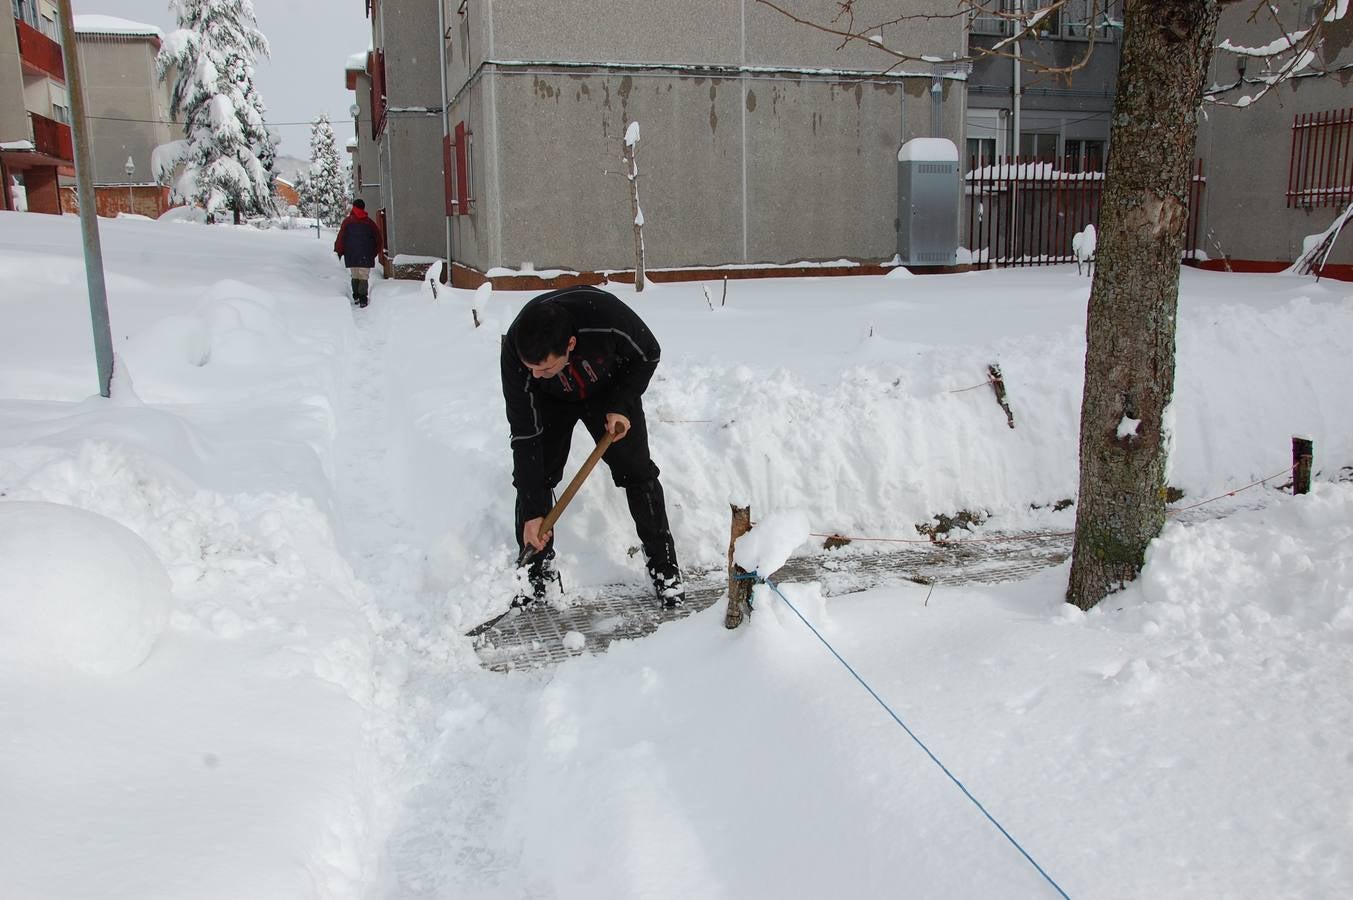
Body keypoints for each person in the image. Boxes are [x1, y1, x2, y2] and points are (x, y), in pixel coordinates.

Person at [502, 285, 684, 608]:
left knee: (637, 471)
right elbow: (524, 435)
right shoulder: (519, 356)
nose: (535, 374)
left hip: (608, 391)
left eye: (544, 368)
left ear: (570, 345)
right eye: (532, 368)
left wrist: (622, 403)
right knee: (537, 474)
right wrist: (532, 511)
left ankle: (664, 568)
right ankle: (536, 572)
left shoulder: (606, 317)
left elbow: (648, 353)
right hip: (552, 401)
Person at [333, 199, 384, 308]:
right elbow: (378, 239)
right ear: (363, 208)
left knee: (355, 275)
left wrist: (339, 250)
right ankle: (363, 298)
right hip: (366, 254)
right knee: (363, 276)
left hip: (351, 254)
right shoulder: (370, 223)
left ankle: (356, 295)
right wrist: (374, 252)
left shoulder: (347, 222)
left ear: (353, 207)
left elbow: (341, 237)